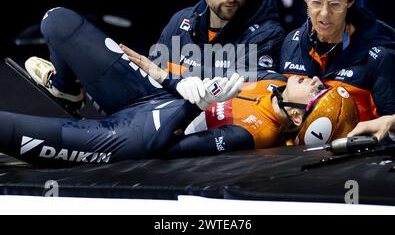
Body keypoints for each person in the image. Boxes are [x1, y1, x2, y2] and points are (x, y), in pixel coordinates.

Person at [26, 0, 285, 114]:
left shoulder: (267, 33)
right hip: (145, 108)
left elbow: (256, 93)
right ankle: (67, 88)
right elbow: (152, 74)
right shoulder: (181, 21)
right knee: (57, 19)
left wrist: (179, 80)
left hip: (189, 126)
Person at [0, 52, 357, 166]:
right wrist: (158, 72)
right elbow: (199, 77)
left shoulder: (255, 133)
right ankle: (72, 95)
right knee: (59, 21)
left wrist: (191, 106)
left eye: (316, 90)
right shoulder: (271, 81)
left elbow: (162, 149)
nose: (313, 78)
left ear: (297, 116)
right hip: (154, 100)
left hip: (133, 138)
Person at [279, 0, 395, 122]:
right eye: (316, 3)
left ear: (350, 2)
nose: (324, 14)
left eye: (335, 4)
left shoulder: (381, 58)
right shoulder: (291, 43)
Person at [147, 0, 285, 93]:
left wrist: (176, 79)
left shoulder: (267, 35)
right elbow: (149, 79)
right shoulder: (180, 21)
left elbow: (250, 94)